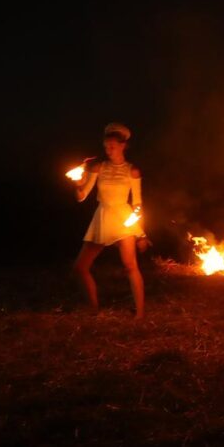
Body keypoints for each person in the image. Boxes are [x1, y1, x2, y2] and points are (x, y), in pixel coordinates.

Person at [72, 122, 147, 318]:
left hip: (123, 219)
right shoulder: (98, 167)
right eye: (106, 147)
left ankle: (139, 314)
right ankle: (94, 310)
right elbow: (81, 197)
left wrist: (141, 234)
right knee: (80, 267)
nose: (108, 150)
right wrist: (78, 183)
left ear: (123, 146)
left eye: (112, 146)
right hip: (103, 217)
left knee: (130, 266)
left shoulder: (132, 171)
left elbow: (138, 205)